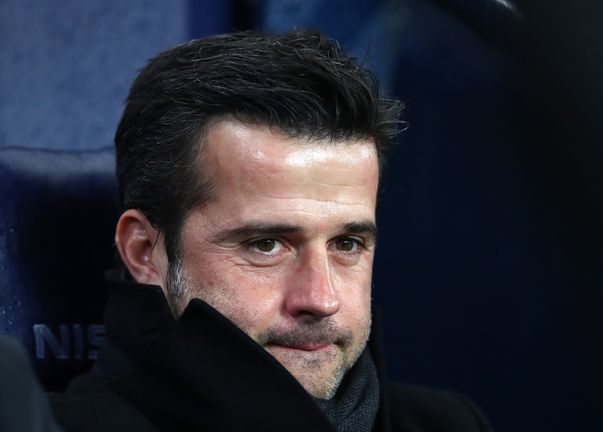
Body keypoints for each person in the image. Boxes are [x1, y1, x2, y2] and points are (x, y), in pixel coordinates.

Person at [48, 30, 492, 431]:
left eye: (347, 243)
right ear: (145, 251)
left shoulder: (448, 424)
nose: (322, 299)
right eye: (267, 245)